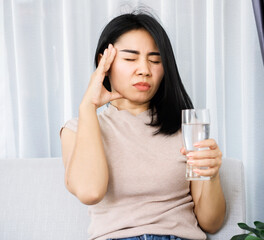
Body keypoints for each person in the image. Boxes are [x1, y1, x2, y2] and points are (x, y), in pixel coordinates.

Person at [60, 11, 225, 240]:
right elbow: (90, 191)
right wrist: (88, 105)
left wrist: (212, 175)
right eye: (130, 58)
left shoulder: (187, 128)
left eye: (155, 60)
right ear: (104, 63)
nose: (145, 70)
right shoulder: (77, 129)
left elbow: (211, 222)